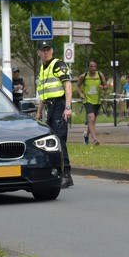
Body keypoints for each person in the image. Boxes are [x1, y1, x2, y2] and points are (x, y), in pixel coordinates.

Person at [35, 40, 74, 188]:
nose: (46, 52)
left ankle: (66, 174)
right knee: (51, 141)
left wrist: (68, 107)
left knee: (60, 139)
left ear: (52, 51)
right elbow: (44, 95)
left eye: (48, 49)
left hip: (60, 105)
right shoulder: (42, 68)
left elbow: (68, 85)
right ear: (39, 52)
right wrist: (39, 113)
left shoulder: (58, 65)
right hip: (50, 107)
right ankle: (54, 172)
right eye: (43, 50)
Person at [76, 60, 108, 145]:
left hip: (97, 101)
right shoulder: (84, 76)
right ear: (89, 67)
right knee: (91, 118)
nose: (93, 68)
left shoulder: (100, 75)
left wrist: (103, 87)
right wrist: (81, 94)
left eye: (95, 67)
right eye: (91, 66)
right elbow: (78, 86)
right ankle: (95, 140)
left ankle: (86, 136)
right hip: (87, 100)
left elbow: (106, 86)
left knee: (92, 121)